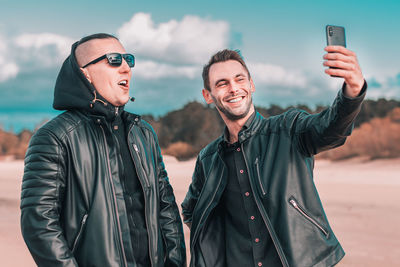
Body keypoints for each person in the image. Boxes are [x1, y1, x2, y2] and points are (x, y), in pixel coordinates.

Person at [181, 46, 367, 267]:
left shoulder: (288, 129)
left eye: (240, 79)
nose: (233, 88)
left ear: (251, 85)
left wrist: (353, 91)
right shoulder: (208, 158)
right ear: (208, 96)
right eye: (222, 83)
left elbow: (331, 128)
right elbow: (192, 211)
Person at [20, 33, 186, 267]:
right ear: (84, 72)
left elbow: (166, 208)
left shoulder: (144, 133)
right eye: (114, 60)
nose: (126, 68)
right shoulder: (54, 137)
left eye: (128, 59)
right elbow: (38, 223)